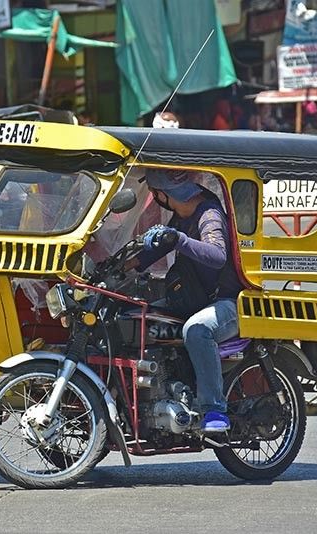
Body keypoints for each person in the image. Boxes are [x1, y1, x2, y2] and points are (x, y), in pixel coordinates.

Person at [129, 168, 244, 433]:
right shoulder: (180, 217)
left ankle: (214, 408)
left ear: (162, 194)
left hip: (228, 303)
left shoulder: (209, 215)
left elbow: (217, 256)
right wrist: (118, 267)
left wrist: (179, 240)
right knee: (139, 316)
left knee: (197, 330)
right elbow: (149, 254)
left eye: (154, 193)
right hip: (194, 300)